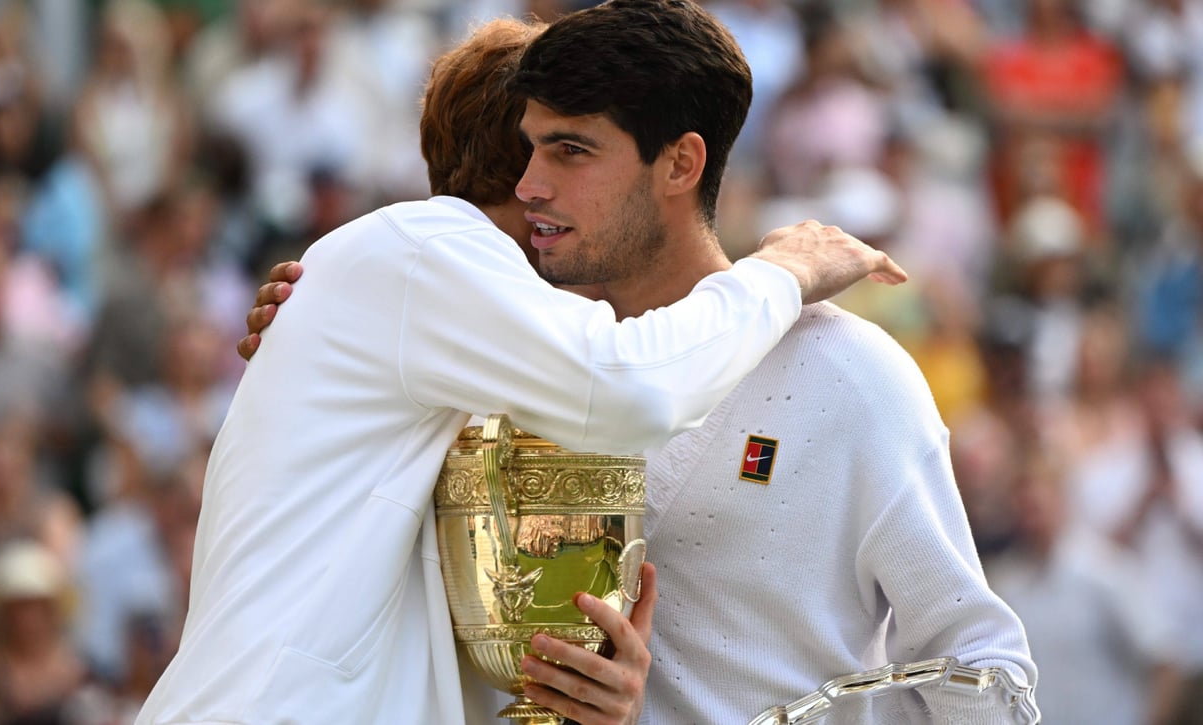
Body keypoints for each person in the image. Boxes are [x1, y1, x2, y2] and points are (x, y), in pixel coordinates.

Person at [245, 0, 1038, 721]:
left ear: (680, 164)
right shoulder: (495, 374)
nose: (530, 185)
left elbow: (989, 675)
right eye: (530, 150)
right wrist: (320, 323)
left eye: (571, 151)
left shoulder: (852, 373)